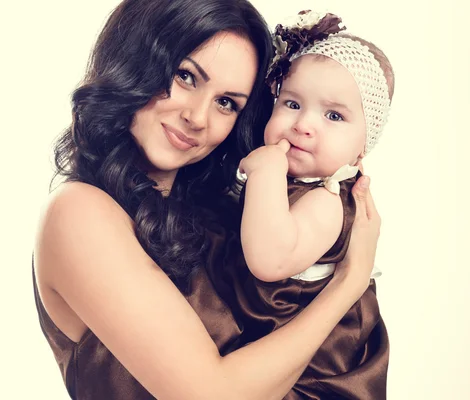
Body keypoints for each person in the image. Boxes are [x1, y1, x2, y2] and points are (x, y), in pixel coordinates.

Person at [32, 1, 382, 399]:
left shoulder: (223, 218)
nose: (198, 117)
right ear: (136, 59)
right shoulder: (78, 212)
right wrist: (347, 284)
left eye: (226, 103)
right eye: (185, 76)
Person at [235, 10, 394, 399]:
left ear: (361, 149)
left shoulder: (328, 202)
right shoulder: (294, 186)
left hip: (304, 381)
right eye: (291, 104)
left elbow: (269, 259)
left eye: (334, 115)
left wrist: (267, 171)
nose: (305, 124)